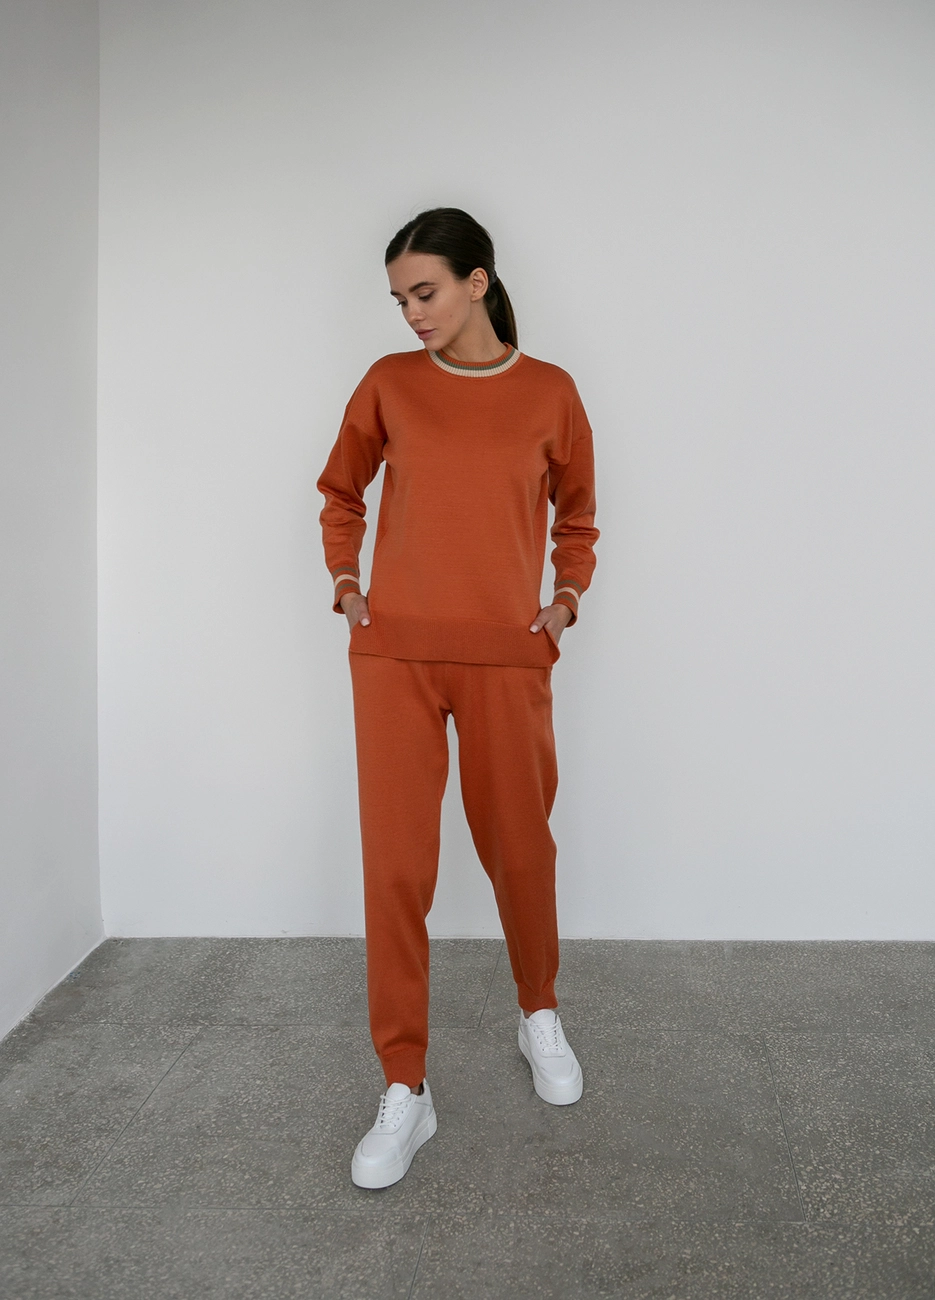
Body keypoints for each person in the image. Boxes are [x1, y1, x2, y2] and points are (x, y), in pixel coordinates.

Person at [316, 207, 599, 1190]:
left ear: (478, 281)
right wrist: (347, 583)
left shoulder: (549, 392)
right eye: (399, 299)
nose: (411, 313)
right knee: (395, 869)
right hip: (393, 657)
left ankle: (537, 1012)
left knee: (521, 848)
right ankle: (405, 1083)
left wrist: (563, 603)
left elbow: (577, 518)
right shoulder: (388, 384)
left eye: (424, 291)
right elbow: (340, 492)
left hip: (506, 658)